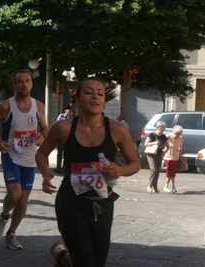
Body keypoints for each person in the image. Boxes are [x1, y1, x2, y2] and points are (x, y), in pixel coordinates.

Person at [35, 77, 140, 267]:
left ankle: (62, 257)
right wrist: (45, 173)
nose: (95, 97)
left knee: (95, 263)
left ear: (104, 100)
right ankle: (66, 258)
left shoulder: (116, 129)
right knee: (84, 262)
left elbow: (135, 164)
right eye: (89, 92)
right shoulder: (63, 128)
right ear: (77, 97)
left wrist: (120, 170)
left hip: (102, 205)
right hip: (71, 204)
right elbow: (41, 153)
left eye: (100, 93)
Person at [0, 71, 48, 250]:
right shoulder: (6, 106)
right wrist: (0, 142)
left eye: (27, 81)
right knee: (15, 194)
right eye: (20, 82)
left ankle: (11, 234)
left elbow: (45, 128)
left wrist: (42, 136)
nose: (24, 85)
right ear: (14, 85)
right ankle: (4, 216)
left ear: (31, 84)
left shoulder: (38, 106)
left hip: (30, 158)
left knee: (23, 201)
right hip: (11, 155)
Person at [144, 120, 168, 193]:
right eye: (163, 127)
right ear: (159, 127)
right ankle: (149, 185)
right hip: (151, 154)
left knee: (157, 171)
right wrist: (154, 143)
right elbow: (146, 144)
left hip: (159, 155)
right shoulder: (152, 134)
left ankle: (155, 187)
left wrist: (164, 152)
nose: (164, 129)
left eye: (164, 127)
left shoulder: (164, 137)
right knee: (153, 169)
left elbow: (167, 146)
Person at [53, 104, 73, 174]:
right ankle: (58, 168)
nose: (70, 112)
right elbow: (57, 125)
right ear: (65, 110)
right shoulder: (61, 116)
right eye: (69, 110)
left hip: (67, 139)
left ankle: (64, 169)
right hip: (60, 138)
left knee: (66, 154)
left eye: (71, 111)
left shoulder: (72, 118)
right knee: (59, 153)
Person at [163, 125, 183, 193]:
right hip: (168, 156)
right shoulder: (168, 136)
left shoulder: (180, 138)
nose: (177, 136)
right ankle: (167, 186)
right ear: (173, 132)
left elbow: (180, 147)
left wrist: (180, 149)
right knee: (169, 172)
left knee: (173, 173)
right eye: (176, 134)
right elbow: (163, 145)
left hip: (175, 157)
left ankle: (172, 186)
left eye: (179, 134)